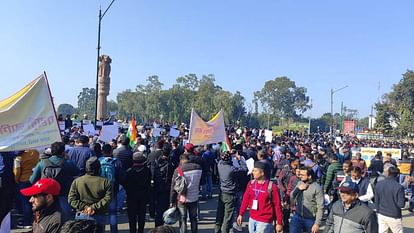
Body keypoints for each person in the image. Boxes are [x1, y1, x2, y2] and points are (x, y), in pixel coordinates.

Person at [30, 142, 80, 222]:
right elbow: (78, 174)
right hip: (64, 195)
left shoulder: (42, 163)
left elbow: (32, 180)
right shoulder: (68, 163)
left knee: (45, 219)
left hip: (46, 197)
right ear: (63, 152)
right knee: (66, 221)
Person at [68, 157, 113, 233]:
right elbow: (108, 198)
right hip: (99, 214)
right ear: (99, 168)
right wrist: (93, 208)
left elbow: (71, 199)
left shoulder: (77, 181)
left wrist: (85, 207)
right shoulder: (106, 182)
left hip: (81, 214)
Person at [237, 161, 283, 233]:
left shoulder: (272, 187)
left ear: (262, 173)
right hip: (252, 218)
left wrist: (279, 222)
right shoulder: (251, 184)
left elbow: (277, 205)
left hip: (265, 221)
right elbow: (245, 200)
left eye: (255, 171)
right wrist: (241, 214)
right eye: (253, 170)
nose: (253, 172)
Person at [215, 150, 247, 233]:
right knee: (227, 217)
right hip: (230, 193)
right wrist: (240, 159)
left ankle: (217, 230)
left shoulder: (220, 164)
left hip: (222, 192)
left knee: (220, 214)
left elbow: (222, 159)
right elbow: (244, 169)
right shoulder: (232, 169)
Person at [170, 153, 202, 233]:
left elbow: (173, 187)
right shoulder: (198, 167)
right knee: (193, 218)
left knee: (182, 218)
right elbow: (201, 181)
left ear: (181, 160)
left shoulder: (178, 170)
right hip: (194, 197)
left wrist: (172, 201)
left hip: (182, 198)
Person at [99, 144, 126, 233]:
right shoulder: (116, 162)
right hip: (112, 190)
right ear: (111, 152)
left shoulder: (98, 161)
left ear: (102, 152)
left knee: (101, 213)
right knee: (112, 213)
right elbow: (122, 177)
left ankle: (101, 230)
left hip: (100, 191)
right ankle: (114, 231)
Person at [290, 166, 324, 233]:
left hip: (310, 218)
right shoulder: (300, 183)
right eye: (300, 175)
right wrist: (298, 189)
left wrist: (317, 223)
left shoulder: (317, 188)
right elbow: (291, 196)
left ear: (309, 176)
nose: (300, 176)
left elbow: (321, 207)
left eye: (303, 175)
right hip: (298, 215)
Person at [125, 152, 151, 233]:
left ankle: (132, 231)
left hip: (131, 197)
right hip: (143, 197)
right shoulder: (147, 170)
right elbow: (148, 183)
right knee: (141, 216)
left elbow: (125, 184)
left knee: (132, 217)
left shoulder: (129, 171)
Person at [14, 150, 39, 228]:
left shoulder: (18, 158)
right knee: (35, 201)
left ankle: (26, 222)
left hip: (23, 181)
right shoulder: (35, 153)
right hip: (34, 179)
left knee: (25, 203)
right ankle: (36, 221)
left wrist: (17, 180)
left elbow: (17, 172)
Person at [375, 166, 405, 233]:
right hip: (394, 215)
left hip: (381, 213)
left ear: (388, 173)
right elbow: (401, 204)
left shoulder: (379, 184)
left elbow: (376, 200)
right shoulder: (399, 187)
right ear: (398, 175)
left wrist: (378, 211)